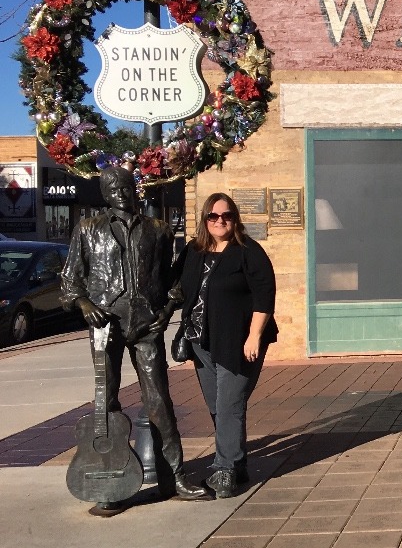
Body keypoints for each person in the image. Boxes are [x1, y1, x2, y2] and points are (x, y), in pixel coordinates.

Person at [61, 166, 209, 507]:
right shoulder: (87, 229)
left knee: (159, 401)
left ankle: (173, 478)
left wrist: (166, 312)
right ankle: (107, 484)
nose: (119, 192)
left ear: (134, 189)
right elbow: (70, 282)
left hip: (146, 326)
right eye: (111, 187)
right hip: (105, 326)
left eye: (124, 186)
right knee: (106, 400)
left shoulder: (157, 230)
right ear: (103, 193)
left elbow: (173, 281)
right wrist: (84, 304)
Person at [171, 193, 277, 499]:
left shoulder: (248, 252)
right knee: (219, 408)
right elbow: (175, 285)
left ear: (235, 219)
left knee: (229, 405)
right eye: (213, 217)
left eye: (226, 216)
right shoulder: (194, 251)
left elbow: (264, 296)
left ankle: (224, 470)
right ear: (205, 219)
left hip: (238, 343)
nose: (220, 221)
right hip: (201, 342)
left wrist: (254, 336)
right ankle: (237, 464)